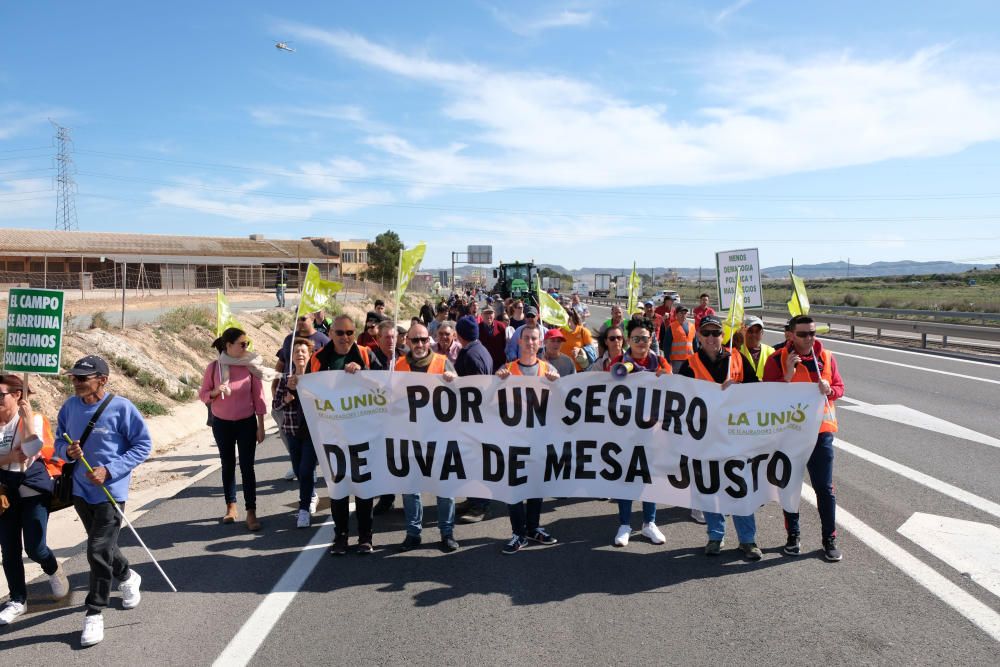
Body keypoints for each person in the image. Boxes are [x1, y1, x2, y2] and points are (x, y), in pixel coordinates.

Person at [55, 356, 152, 648]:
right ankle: (127, 575)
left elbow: (143, 444)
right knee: (104, 547)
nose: (76, 383)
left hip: (111, 492)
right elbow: (59, 440)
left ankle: (95, 611)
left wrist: (110, 470)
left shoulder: (122, 407)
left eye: (83, 378)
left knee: (96, 550)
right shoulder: (70, 406)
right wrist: (66, 451)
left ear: (103, 380)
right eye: (74, 377)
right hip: (81, 491)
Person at [678, 315, 762, 560]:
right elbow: (680, 399)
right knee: (709, 487)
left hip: (735, 436)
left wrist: (739, 390)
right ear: (700, 337)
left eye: (716, 333)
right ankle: (715, 535)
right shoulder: (690, 364)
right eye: (707, 334)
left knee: (740, 489)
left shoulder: (737, 358)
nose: (712, 338)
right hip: (703, 437)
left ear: (722, 336)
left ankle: (748, 540)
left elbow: (758, 389)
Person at [763, 315, 845, 562]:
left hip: (821, 434)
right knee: (789, 487)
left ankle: (829, 539)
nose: (809, 338)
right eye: (803, 334)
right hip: (789, 434)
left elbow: (840, 388)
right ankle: (793, 536)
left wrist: (830, 389)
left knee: (825, 489)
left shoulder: (827, 358)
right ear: (790, 335)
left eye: (812, 333)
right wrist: (787, 374)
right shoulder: (776, 359)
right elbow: (766, 395)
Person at [0, 374, 67, 626]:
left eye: (0, 395)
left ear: (17, 395)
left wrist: (26, 419)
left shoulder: (35, 419)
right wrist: (8, 458)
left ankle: (53, 569)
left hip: (32, 491)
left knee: (35, 548)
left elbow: (30, 450)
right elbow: (15, 457)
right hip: (4, 494)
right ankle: (18, 599)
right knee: (9, 550)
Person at [308, 314, 377, 555]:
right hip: (332, 436)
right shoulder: (318, 359)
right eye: (339, 333)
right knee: (338, 489)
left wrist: (363, 372)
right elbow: (308, 396)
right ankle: (341, 537)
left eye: (349, 333)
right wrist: (297, 385)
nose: (345, 337)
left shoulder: (366, 354)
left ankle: (365, 536)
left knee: (363, 488)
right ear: (330, 334)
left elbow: (385, 386)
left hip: (362, 434)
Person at [605, 318, 670, 548]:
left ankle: (649, 523)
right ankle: (624, 524)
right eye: (636, 338)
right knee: (626, 477)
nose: (641, 342)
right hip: (625, 433)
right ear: (629, 341)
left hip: (652, 432)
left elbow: (671, 391)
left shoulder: (661, 362)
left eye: (645, 338)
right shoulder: (618, 362)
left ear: (651, 340)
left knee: (650, 478)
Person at [395, 323, 460, 552]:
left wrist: (454, 381)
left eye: (423, 339)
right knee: (411, 488)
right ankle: (413, 533)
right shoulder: (399, 366)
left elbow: (462, 397)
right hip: (411, 438)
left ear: (429, 340)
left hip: (440, 438)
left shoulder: (443, 363)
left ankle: (447, 532)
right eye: (415, 340)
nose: (420, 344)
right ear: (407, 342)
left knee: (445, 489)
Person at [199, 328, 271, 531]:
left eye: (247, 344)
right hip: (222, 424)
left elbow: (259, 397)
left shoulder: (250, 367)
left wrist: (261, 426)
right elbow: (203, 394)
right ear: (228, 346)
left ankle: (251, 511)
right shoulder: (214, 368)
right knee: (227, 464)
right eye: (242, 344)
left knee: (247, 467)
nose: (246, 347)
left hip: (246, 423)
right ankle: (231, 506)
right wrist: (215, 391)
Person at [495, 327, 560, 554]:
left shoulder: (548, 370)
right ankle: (518, 533)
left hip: (539, 441)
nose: (530, 342)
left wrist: (558, 384)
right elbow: (491, 405)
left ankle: (533, 528)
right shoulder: (507, 370)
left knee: (535, 487)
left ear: (539, 342)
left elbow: (561, 406)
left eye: (534, 339)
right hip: (513, 442)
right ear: (519, 342)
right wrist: (497, 383)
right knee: (514, 490)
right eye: (527, 339)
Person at [274, 338, 320, 528]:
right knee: (299, 469)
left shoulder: (317, 378)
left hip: (312, 431)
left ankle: (303, 509)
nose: (300, 354)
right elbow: (276, 405)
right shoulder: (284, 379)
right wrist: (287, 396)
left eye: (303, 351)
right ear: (291, 357)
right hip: (292, 430)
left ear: (309, 355)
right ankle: (311, 495)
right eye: (296, 352)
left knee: (306, 469)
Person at [453, 316, 495, 523]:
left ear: (459, 334)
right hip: (474, 416)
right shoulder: (479, 350)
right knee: (470, 461)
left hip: (475, 417)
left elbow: (477, 387)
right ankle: (473, 499)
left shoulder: (471, 355)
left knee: (477, 462)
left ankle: (480, 505)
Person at [370, 320, 399, 514]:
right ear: (378, 338)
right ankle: (387, 497)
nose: (390, 340)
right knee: (383, 460)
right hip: (378, 419)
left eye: (393, 337)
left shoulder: (406, 356)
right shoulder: (369, 358)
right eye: (386, 337)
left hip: (403, 419)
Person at [740, 315, 775, 380]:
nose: (754, 334)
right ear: (744, 332)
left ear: (762, 333)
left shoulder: (771, 351)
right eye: (750, 331)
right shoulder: (737, 351)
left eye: (757, 331)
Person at [664, 304, 696, 373]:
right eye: (681, 313)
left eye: (685, 313)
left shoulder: (692, 326)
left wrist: (697, 357)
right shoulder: (671, 327)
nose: (683, 315)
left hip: (690, 360)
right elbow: (666, 345)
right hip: (676, 361)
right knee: (677, 380)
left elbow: (695, 344)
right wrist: (667, 360)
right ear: (676, 314)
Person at [478, 305, 507, 372]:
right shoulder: (477, 328)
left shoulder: (501, 326)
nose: (488, 316)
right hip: (484, 364)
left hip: (499, 365)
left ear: (494, 315)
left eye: (490, 313)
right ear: (481, 315)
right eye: (486, 313)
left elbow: (506, 344)